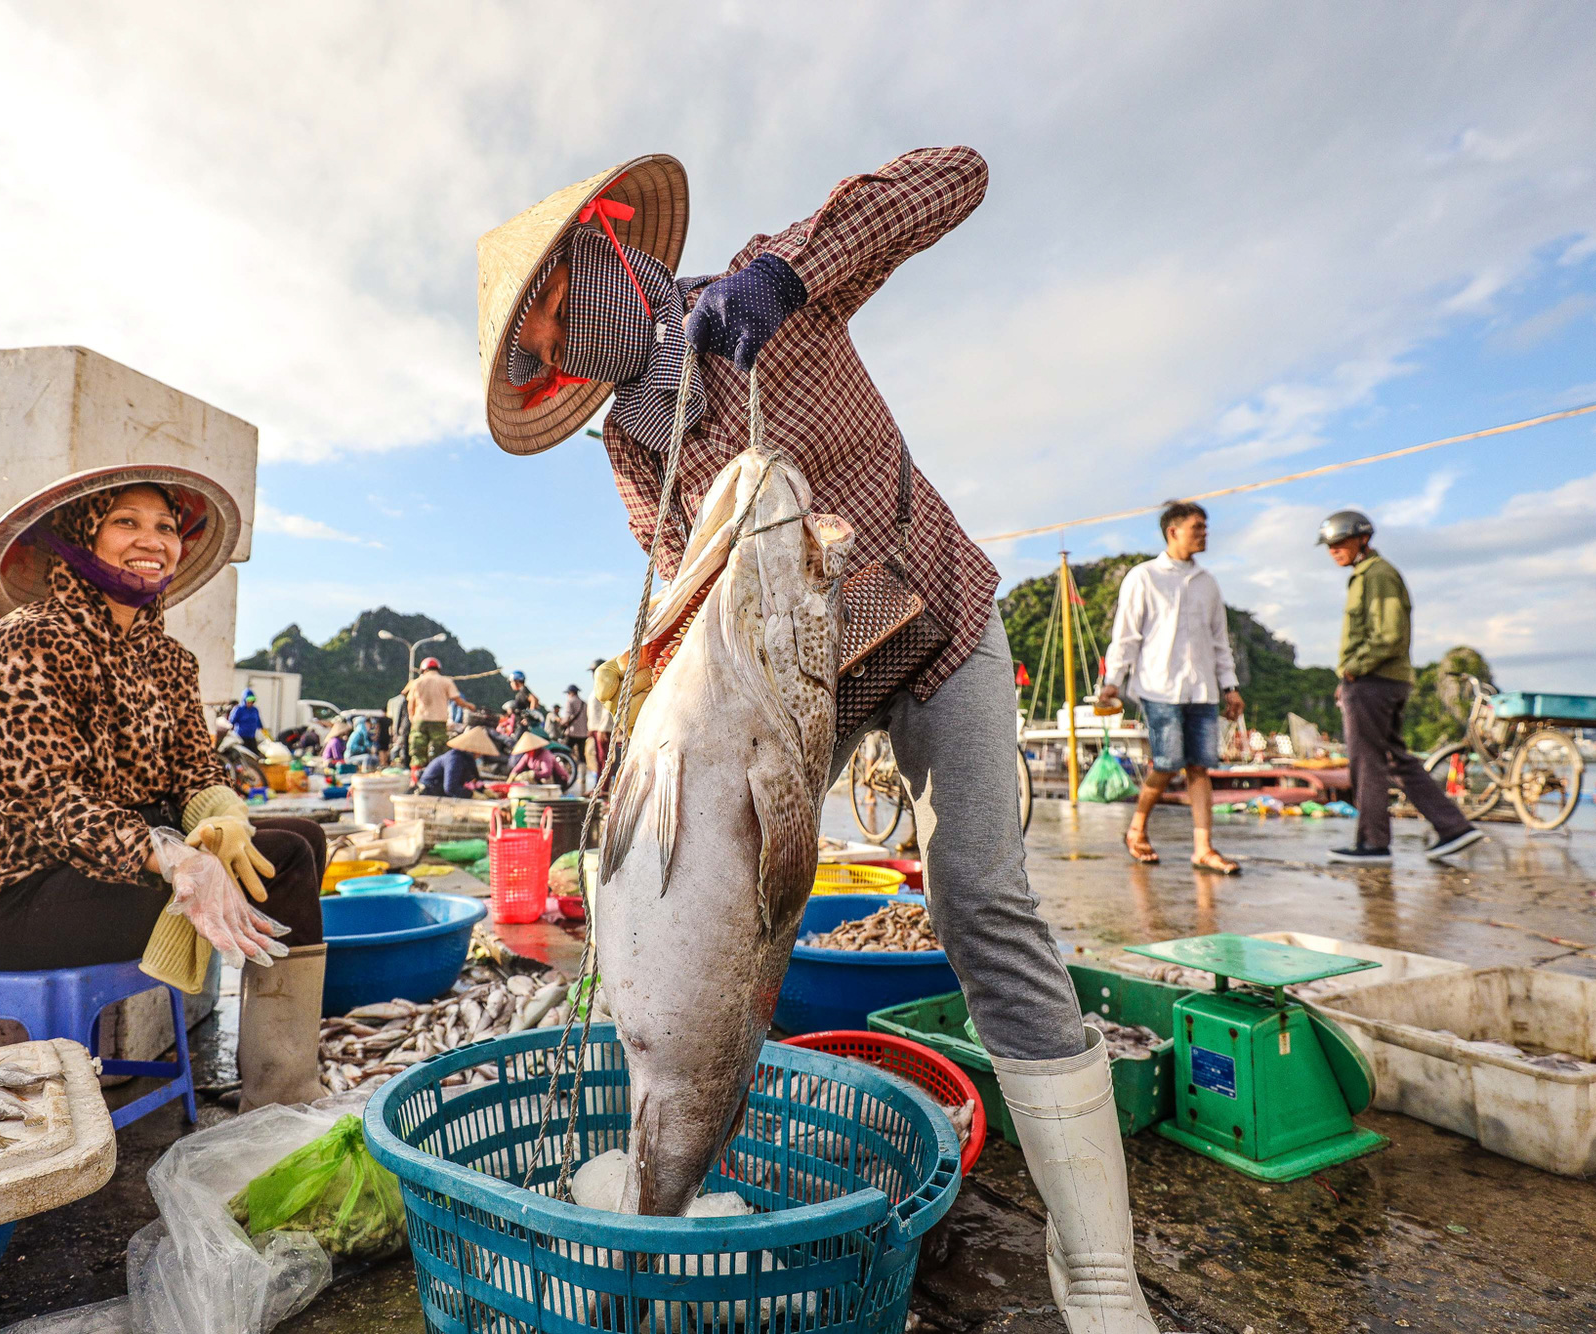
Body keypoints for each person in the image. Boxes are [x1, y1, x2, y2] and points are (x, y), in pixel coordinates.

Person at [480, 149, 1162, 1329]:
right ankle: (683, 1172)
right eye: (533, 351)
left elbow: (957, 176)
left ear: (599, 251)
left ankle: (1096, 1275)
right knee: (730, 907)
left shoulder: (761, 288)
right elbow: (673, 583)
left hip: (939, 620)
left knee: (977, 898)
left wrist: (791, 274)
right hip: (804, 684)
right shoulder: (627, 443)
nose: (551, 347)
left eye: (546, 312)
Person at [0, 465, 327, 1110]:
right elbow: (44, 798)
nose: (151, 539)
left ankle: (281, 1090)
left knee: (296, 837)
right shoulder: (29, 640)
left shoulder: (168, 659)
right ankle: (280, 1100)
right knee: (288, 857)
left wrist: (224, 822)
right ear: (80, 539)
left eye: (165, 526)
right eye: (125, 522)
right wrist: (176, 856)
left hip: (105, 871)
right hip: (9, 896)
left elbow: (195, 774)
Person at [1318, 510, 1485, 864]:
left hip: (1374, 682)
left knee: (1367, 762)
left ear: (1362, 539)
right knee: (1395, 760)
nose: (1333, 550)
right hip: (1377, 680)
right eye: (1329, 545)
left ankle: (1372, 843)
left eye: (1339, 543)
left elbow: (1389, 635)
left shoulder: (1377, 575)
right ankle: (1454, 827)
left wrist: (1353, 670)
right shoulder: (1369, 575)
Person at [1098, 502, 1243, 874]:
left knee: (1199, 767)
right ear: (1173, 531)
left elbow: (1219, 641)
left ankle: (1203, 848)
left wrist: (1230, 686)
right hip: (1158, 686)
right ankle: (1136, 829)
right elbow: (1127, 635)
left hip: (1202, 689)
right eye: (1198, 526)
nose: (1205, 532)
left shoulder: (1208, 583)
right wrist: (1113, 681)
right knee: (1166, 762)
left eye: (1206, 526)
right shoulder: (1143, 576)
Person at [403, 658, 468, 770]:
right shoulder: (445, 681)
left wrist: (412, 718)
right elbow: (458, 700)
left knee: (417, 750)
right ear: (438, 669)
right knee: (440, 750)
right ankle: (437, 774)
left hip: (420, 720)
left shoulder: (416, 682)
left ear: (423, 669)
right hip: (439, 721)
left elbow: (411, 704)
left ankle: (416, 778)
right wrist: (470, 706)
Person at [419, 728, 496, 799]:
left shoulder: (469, 759)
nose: (480, 755)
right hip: (431, 789)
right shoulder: (454, 759)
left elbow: (474, 780)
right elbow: (451, 788)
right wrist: (472, 795)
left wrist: (483, 790)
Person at [585, 659, 613, 779]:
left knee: (604, 758)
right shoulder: (597, 687)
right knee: (598, 759)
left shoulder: (606, 686)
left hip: (602, 729)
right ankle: (599, 786)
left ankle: (604, 788)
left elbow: (607, 709)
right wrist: (591, 728)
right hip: (596, 728)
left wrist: (603, 729)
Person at [555, 684, 590, 768]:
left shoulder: (570, 701)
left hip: (572, 732)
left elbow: (567, 717)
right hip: (583, 733)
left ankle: (564, 772)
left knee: (564, 752)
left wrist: (561, 723)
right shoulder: (584, 703)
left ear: (571, 693)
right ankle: (582, 777)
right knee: (582, 755)